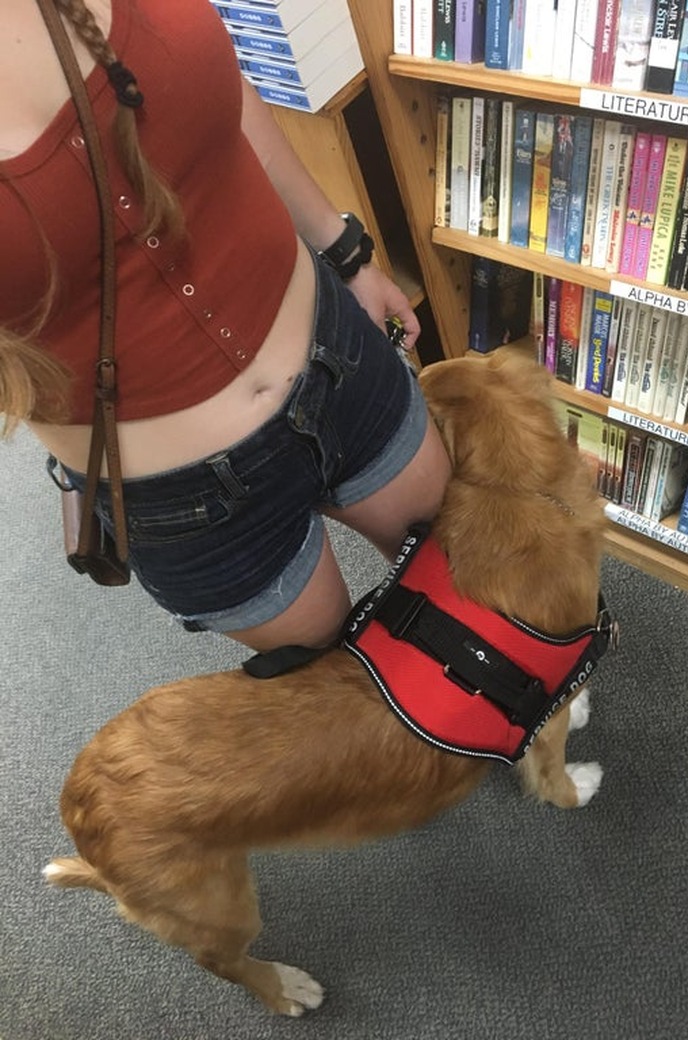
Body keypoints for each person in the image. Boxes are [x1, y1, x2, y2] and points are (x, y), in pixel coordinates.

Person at [0, 0, 451, 653]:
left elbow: (220, 88)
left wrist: (344, 249)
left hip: (340, 359)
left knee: (462, 580)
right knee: (343, 696)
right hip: (179, 499)